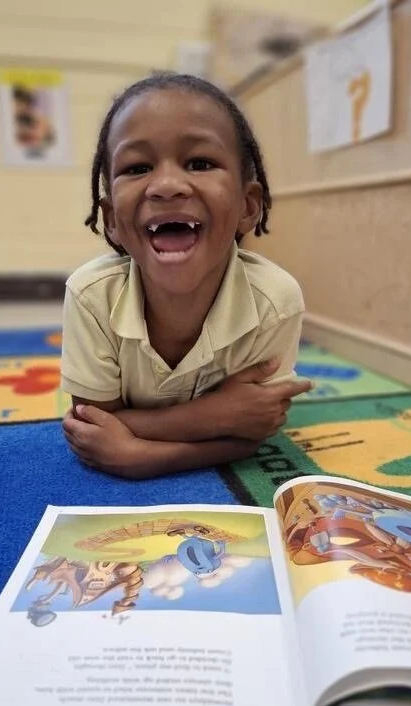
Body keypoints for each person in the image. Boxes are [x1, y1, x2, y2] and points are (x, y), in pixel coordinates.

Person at [61, 73, 311, 479]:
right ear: (111, 221)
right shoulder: (92, 296)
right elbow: (90, 426)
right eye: (138, 167)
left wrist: (140, 457)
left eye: (200, 163)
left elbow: (254, 432)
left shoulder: (275, 300)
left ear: (248, 207)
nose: (167, 185)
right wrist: (217, 415)